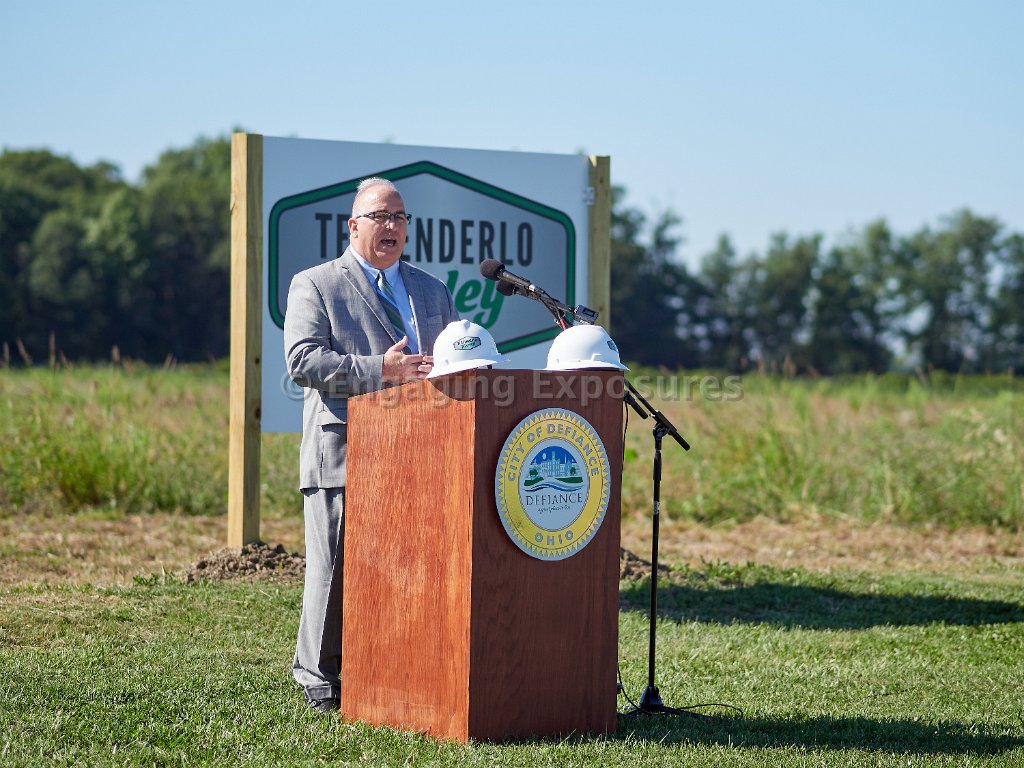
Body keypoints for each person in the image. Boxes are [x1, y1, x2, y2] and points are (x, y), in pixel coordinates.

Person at [283, 177, 459, 714]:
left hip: (423, 450)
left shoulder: (432, 290)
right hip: (345, 449)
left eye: (400, 217)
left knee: (411, 569)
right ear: (353, 225)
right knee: (335, 569)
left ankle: (395, 668)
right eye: (380, 216)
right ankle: (319, 679)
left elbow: (451, 358)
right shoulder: (316, 284)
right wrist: (381, 369)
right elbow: (303, 361)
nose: (391, 226)